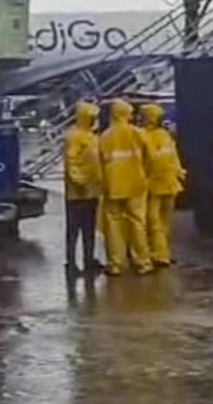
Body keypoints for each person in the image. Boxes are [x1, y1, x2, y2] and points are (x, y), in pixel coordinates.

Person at [98, 99, 154, 276]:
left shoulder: (105, 136)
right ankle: (143, 263)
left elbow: (99, 162)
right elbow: (150, 158)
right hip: (136, 183)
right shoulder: (137, 133)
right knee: (138, 223)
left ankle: (115, 264)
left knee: (113, 225)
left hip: (113, 185)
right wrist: (146, 175)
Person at [140, 102, 186, 268]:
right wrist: (178, 171)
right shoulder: (161, 135)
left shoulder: (145, 135)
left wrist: (179, 171)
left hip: (159, 184)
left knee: (159, 222)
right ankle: (160, 254)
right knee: (157, 222)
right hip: (164, 183)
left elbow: (170, 156)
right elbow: (171, 156)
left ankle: (161, 253)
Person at [64, 101, 104, 276]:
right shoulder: (74, 136)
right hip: (78, 192)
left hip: (92, 190)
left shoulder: (91, 136)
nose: (94, 119)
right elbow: (70, 161)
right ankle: (71, 263)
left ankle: (89, 260)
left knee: (89, 229)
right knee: (74, 230)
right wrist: (79, 182)